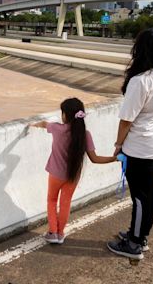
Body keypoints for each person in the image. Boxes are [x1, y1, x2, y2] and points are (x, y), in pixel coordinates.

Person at [107, 28, 153, 261]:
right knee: (151, 193)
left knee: (139, 197)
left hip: (141, 149)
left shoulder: (141, 81)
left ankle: (135, 244)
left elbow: (126, 120)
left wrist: (118, 145)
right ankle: (141, 235)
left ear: (141, 50)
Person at [32, 97, 116, 244]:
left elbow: (44, 124)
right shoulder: (85, 134)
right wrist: (115, 158)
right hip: (72, 176)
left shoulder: (57, 129)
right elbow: (95, 158)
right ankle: (60, 233)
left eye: (62, 112)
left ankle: (52, 232)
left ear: (66, 115)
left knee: (51, 200)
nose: (61, 116)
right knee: (65, 203)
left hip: (55, 175)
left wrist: (33, 125)